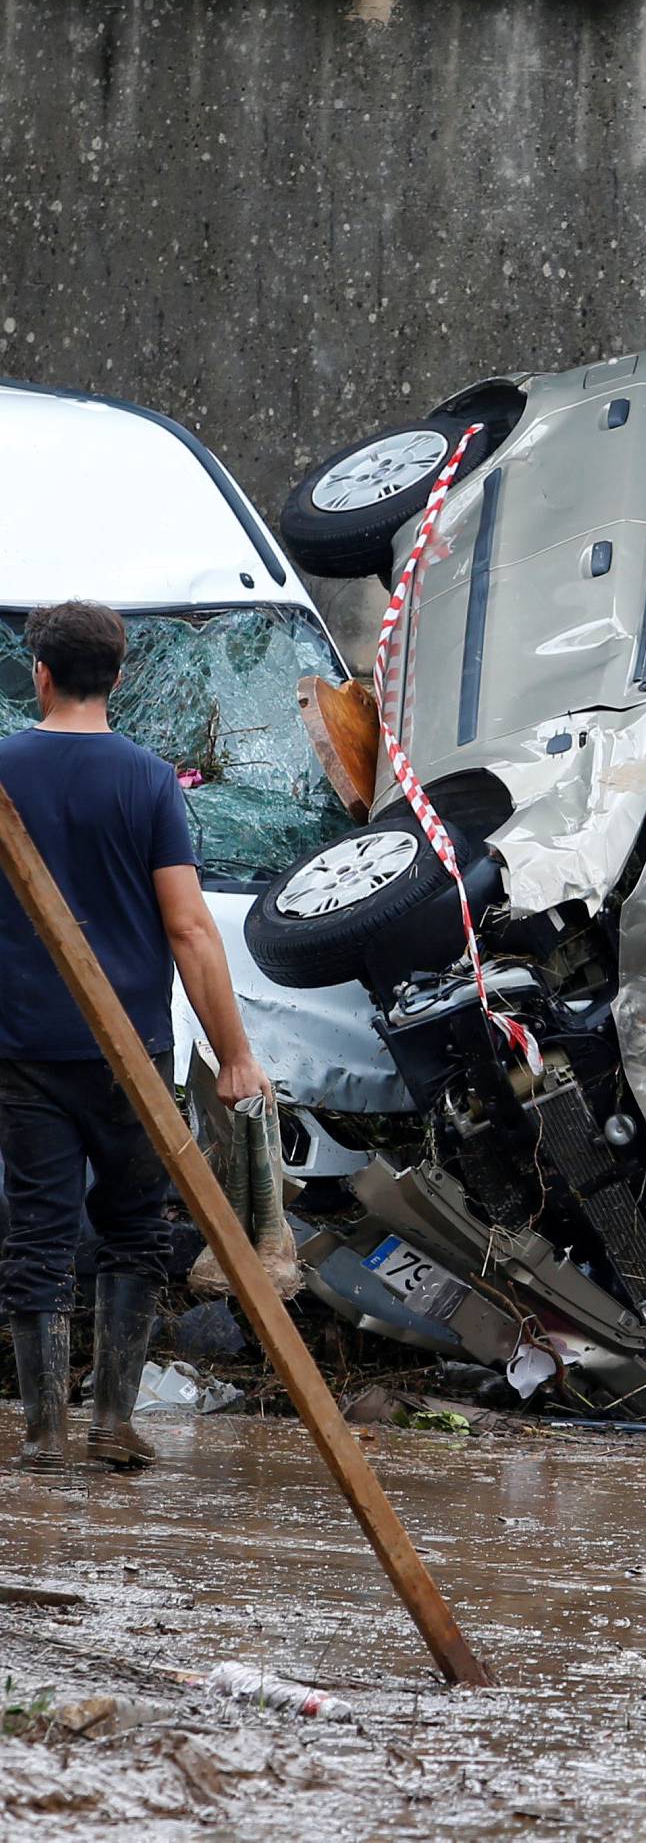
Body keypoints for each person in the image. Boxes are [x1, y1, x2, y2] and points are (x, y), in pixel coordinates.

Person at [0, 600, 267, 1473]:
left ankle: (42, 1433)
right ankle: (112, 1420)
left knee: (36, 1235)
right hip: (131, 1054)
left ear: (39, 672)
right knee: (135, 1229)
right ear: (118, 677)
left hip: (23, 1050)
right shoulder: (148, 780)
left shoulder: (3, 772)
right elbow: (190, 928)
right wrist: (234, 1055)